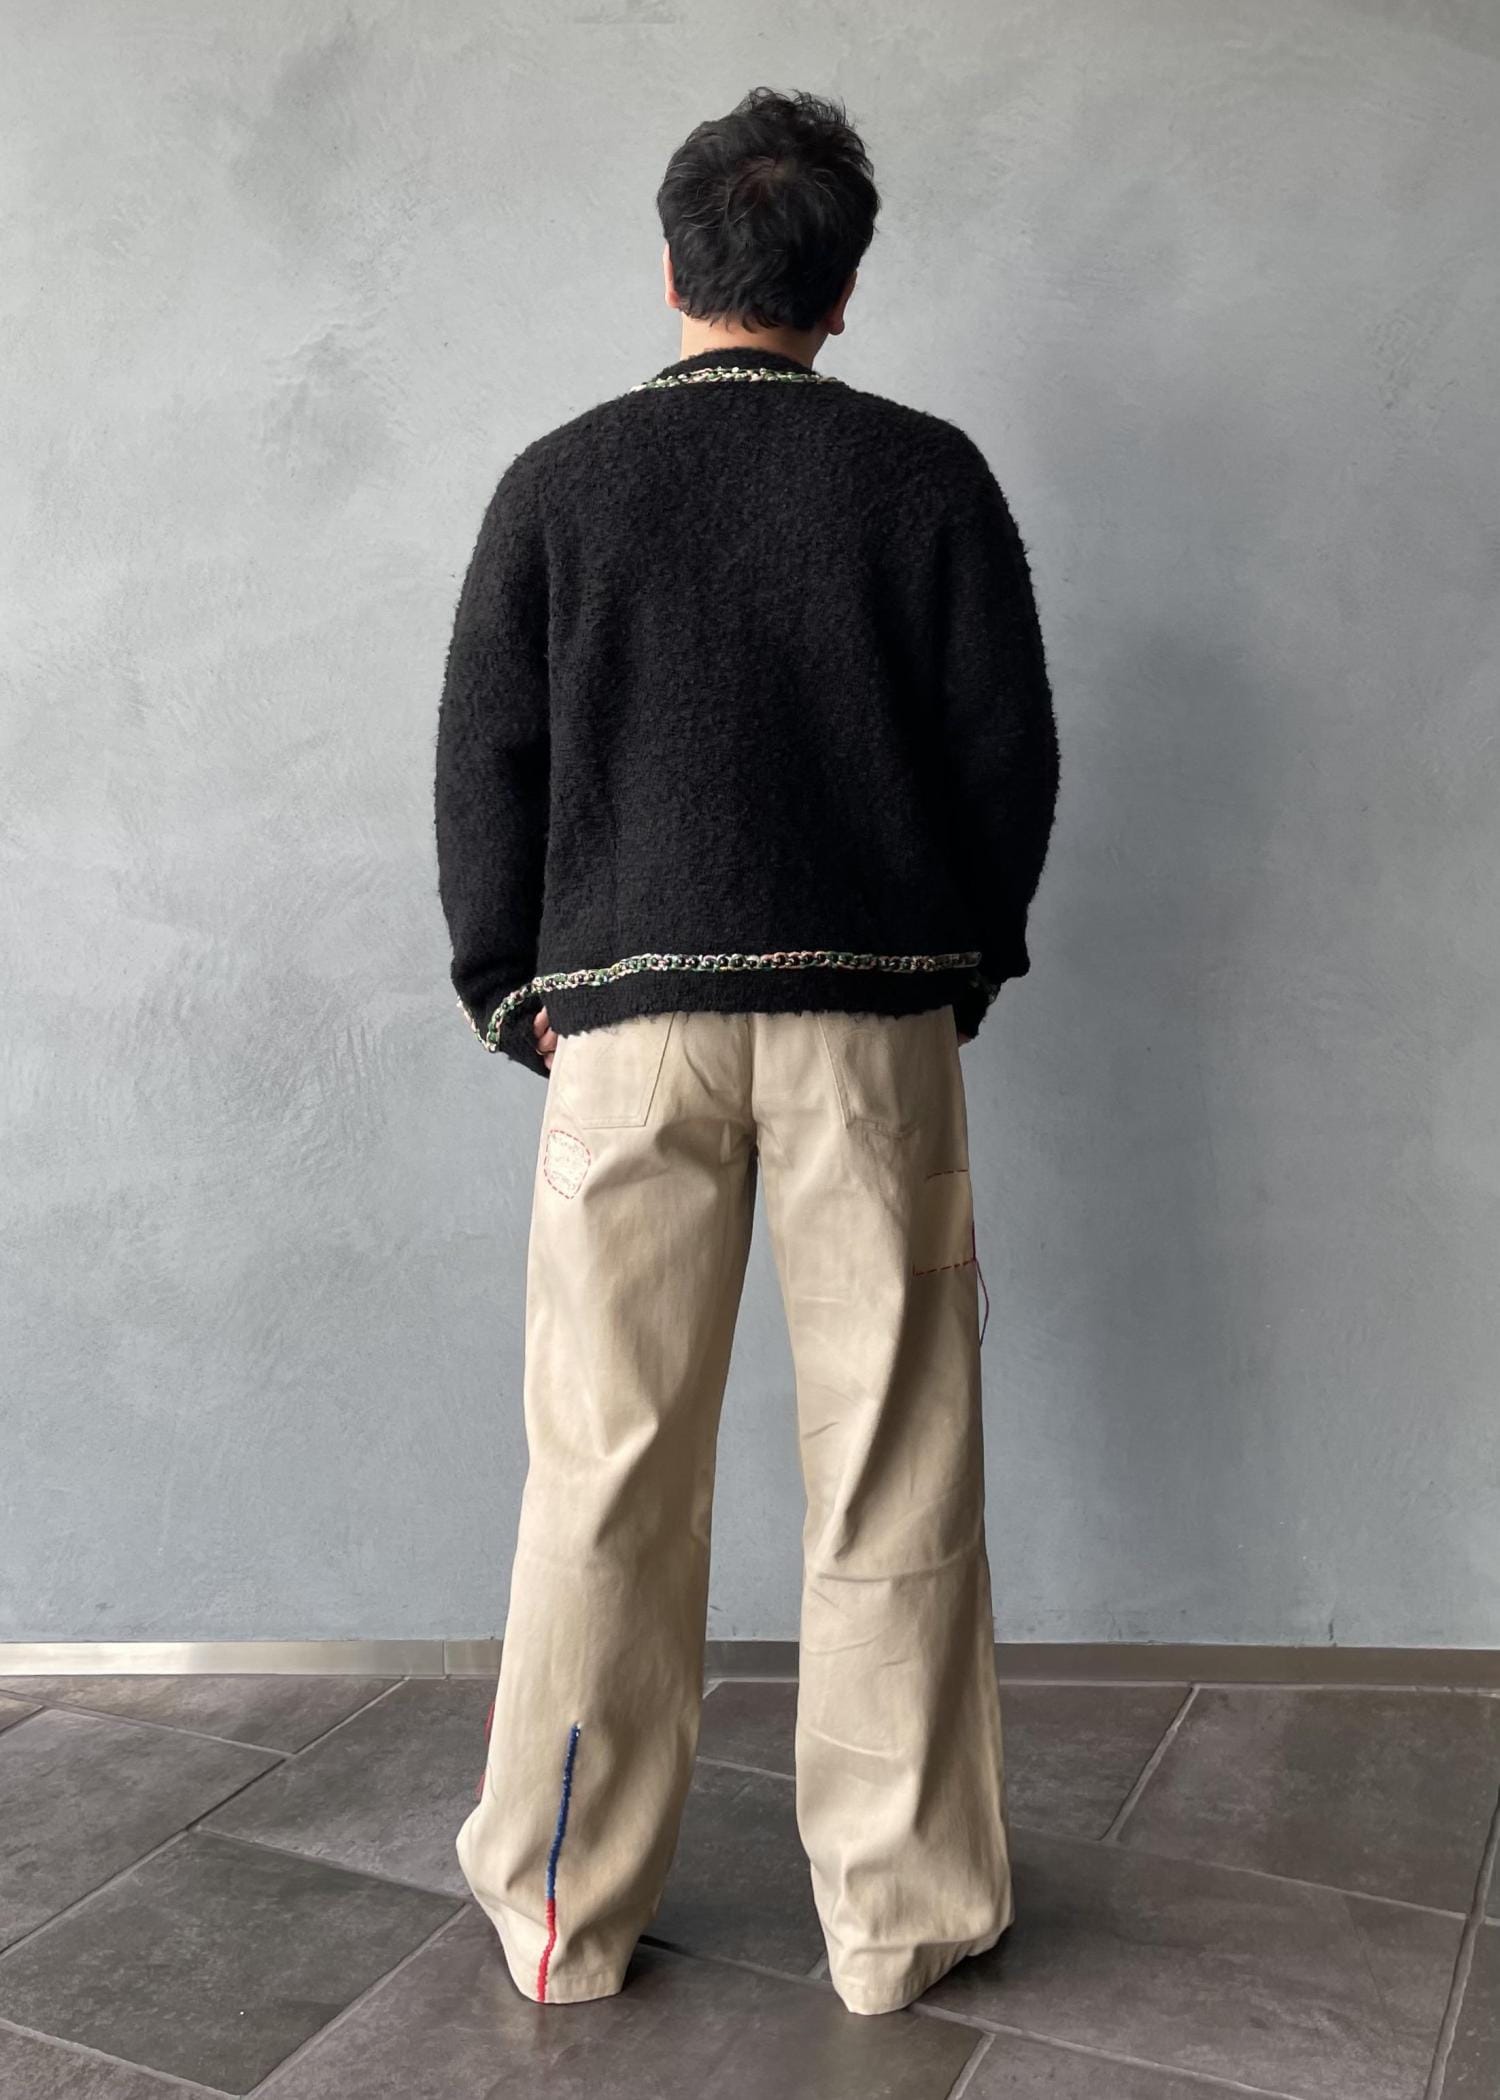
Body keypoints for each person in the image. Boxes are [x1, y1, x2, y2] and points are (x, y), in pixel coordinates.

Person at [436, 84, 1060, 2018]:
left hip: (626, 1036)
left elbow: (484, 763)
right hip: (875, 1032)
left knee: (605, 1475)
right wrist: (955, 970)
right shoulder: (926, 477)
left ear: (673, 266)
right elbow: (1008, 760)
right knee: (895, 1467)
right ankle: (898, 1923)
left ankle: (560, 1916)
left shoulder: (561, 482)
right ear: (844, 289)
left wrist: (514, 987)